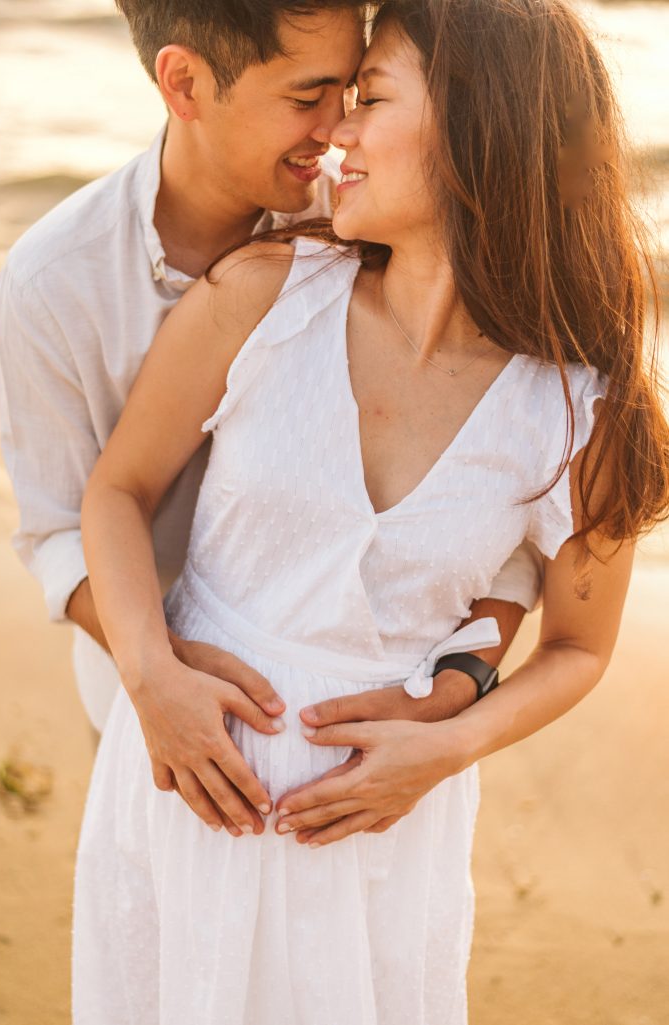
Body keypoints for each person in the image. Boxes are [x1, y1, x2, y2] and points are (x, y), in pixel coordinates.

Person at [76, 0, 669, 1021]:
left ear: (480, 129)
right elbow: (117, 491)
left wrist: (447, 745)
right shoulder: (264, 293)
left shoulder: (579, 408)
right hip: (187, 794)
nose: (334, 134)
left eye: (370, 100)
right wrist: (150, 672)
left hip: (380, 833)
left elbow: (578, 647)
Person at [0, 0, 537, 838]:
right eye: (309, 93)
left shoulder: (377, 218)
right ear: (184, 82)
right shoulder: (52, 284)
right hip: (148, 698)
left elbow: (492, 490)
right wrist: (155, 673)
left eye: (355, 89)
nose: (339, 125)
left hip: (363, 732)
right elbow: (61, 528)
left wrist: (461, 682)